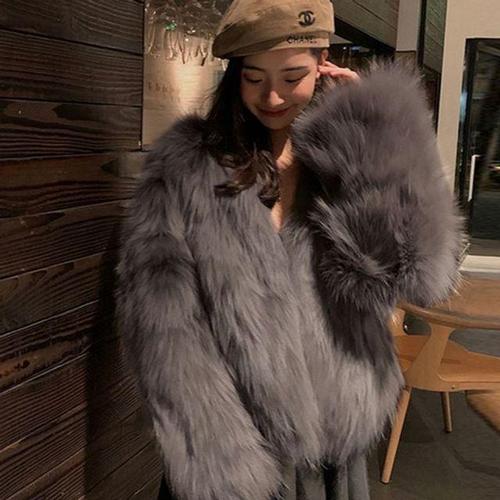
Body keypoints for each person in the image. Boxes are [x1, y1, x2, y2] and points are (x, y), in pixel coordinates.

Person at [115, 1, 465, 499]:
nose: (272, 96)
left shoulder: (346, 157)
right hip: (230, 446)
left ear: (323, 63)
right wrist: (220, 455)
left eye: (292, 77)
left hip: (331, 440)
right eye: (253, 77)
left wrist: (372, 136)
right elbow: (161, 322)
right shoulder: (189, 168)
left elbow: (413, 271)